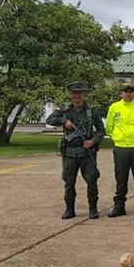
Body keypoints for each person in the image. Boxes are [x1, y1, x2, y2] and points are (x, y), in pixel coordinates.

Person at [46, 82, 105, 220]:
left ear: (84, 95)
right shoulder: (64, 111)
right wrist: (63, 121)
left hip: (87, 153)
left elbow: (102, 131)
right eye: (74, 93)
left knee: (91, 181)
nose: (77, 96)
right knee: (69, 182)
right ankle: (69, 210)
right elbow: (50, 119)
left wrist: (92, 141)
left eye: (80, 93)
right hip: (70, 154)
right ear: (71, 95)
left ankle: (93, 209)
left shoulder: (92, 112)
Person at [105, 83, 134, 218]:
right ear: (121, 93)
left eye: (131, 91)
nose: (128, 94)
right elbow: (109, 127)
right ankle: (119, 207)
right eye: (126, 91)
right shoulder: (114, 107)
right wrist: (116, 138)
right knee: (121, 178)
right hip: (120, 148)